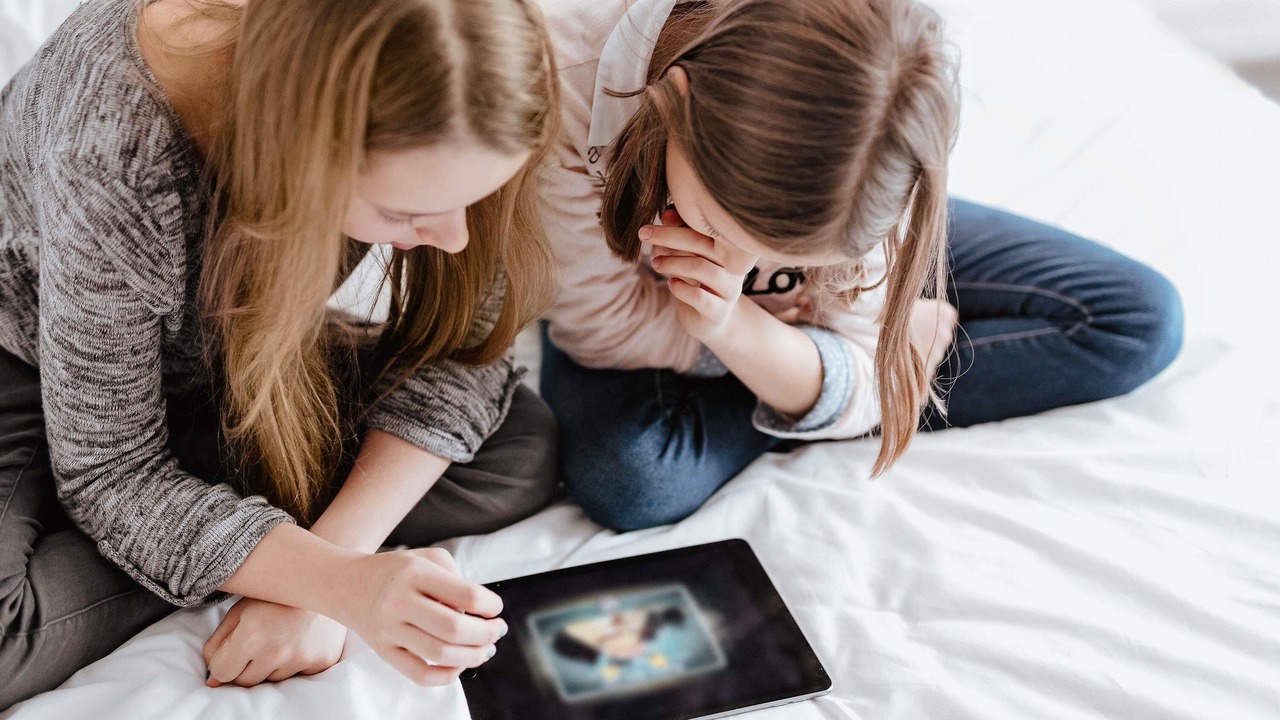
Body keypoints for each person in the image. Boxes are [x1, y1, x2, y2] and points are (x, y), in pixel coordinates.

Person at [0, 0, 561, 706]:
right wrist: (335, 583)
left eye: (476, 199)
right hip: (32, 356)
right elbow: (111, 467)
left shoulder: (469, 77)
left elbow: (467, 347)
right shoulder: (113, 150)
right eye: (404, 215)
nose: (453, 239)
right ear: (297, 155)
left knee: (524, 444)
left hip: (244, 348)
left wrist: (332, 574)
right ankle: (191, 527)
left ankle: (204, 527)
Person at [535, 0, 1185, 531]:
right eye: (714, 227)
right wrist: (837, 359)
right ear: (674, 103)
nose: (753, 269)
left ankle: (819, 380)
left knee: (1135, 324)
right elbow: (604, 326)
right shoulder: (565, 74)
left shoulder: (884, 104)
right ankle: (843, 381)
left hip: (824, 224)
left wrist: (738, 328)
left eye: (787, 259)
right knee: (632, 480)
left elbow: (843, 285)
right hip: (627, 287)